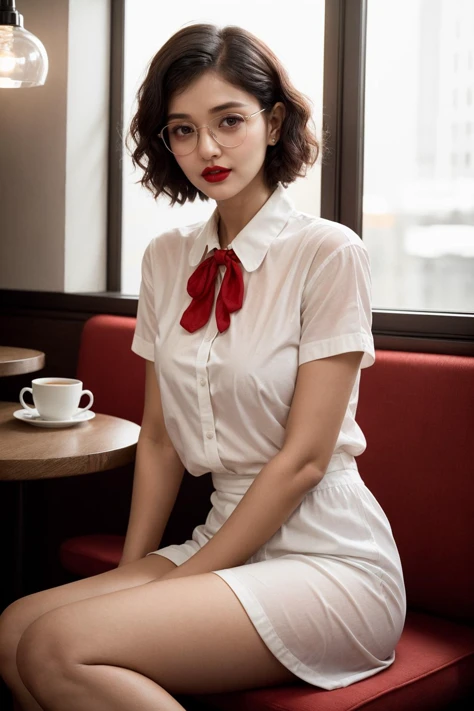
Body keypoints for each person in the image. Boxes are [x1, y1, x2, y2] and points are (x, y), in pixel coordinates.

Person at [0, 23, 406, 711]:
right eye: (183, 130)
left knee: (54, 645)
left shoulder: (328, 252)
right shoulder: (165, 258)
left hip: (330, 559)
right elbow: (158, 439)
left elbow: (305, 459)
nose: (207, 149)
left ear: (273, 122)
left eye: (229, 121)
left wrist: (179, 582)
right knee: (13, 629)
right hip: (221, 536)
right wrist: (136, 573)